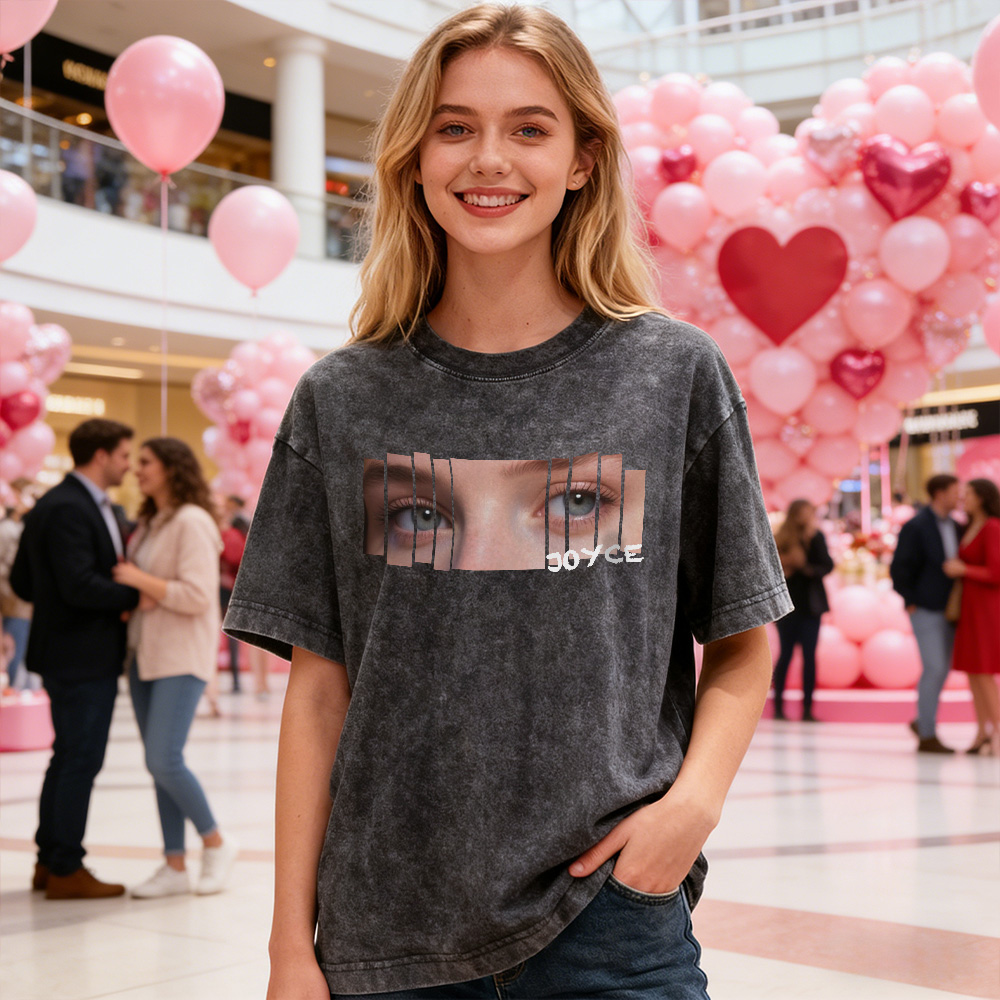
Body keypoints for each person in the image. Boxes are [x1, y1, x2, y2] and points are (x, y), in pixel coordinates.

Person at [224, 6, 792, 998]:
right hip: (384, 935)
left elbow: (743, 638)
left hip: (609, 924)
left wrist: (690, 808)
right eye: (454, 127)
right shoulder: (343, 399)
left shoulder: (669, 375)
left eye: (529, 127)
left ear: (580, 159)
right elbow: (318, 691)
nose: (488, 160)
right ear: (413, 157)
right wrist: (287, 947)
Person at [9, 419, 140, 899]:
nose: (128, 465)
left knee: (67, 757)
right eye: (125, 455)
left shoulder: (54, 502)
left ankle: (50, 860)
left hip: (63, 651)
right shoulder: (69, 506)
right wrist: (132, 592)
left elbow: (24, 582)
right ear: (102, 455)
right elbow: (79, 585)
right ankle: (65, 866)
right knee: (80, 758)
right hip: (81, 654)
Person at [110, 438, 239, 898]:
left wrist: (138, 581)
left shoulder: (192, 521)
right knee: (158, 764)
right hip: (144, 654)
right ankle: (174, 864)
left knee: (163, 758)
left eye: (145, 463)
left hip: (180, 656)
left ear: (171, 467)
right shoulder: (150, 523)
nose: (136, 470)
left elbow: (199, 596)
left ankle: (216, 842)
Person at [891, 473, 964, 753]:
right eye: (955, 491)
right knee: (934, 667)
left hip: (951, 609)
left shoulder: (956, 526)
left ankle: (923, 721)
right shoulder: (917, 525)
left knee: (941, 669)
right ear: (940, 493)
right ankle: (927, 733)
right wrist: (910, 599)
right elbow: (899, 567)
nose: (959, 497)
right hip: (925, 607)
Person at [943, 478, 1000, 755]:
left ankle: (997, 732)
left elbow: (996, 572)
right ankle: (982, 732)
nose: (963, 498)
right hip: (970, 606)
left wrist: (963, 570)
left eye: (969, 494)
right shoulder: (968, 526)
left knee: (985, 671)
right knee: (974, 672)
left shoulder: (991, 528)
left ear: (982, 497)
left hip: (988, 608)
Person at [772, 499, 834, 722]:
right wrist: (788, 562)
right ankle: (778, 707)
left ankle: (808, 708)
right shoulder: (781, 537)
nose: (805, 518)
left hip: (811, 606)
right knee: (786, 655)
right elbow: (771, 567)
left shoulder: (816, 537)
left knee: (809, 657)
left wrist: (806, 568)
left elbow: (827, 565)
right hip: (788, 606)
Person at [1, 488, 39, 692]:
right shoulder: (7, 530)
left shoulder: (17, 528)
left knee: (19, 653)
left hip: (22, 605)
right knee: (13, 653)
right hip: (14, 605)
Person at [219, 496, 248, 693]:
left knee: (230, 634)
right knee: (232, 636)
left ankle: (235, 679)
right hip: (232, 586)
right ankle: (235, 680)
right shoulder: (243, 527)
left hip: (227, 587)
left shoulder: (232, 531)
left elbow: (232, 556)